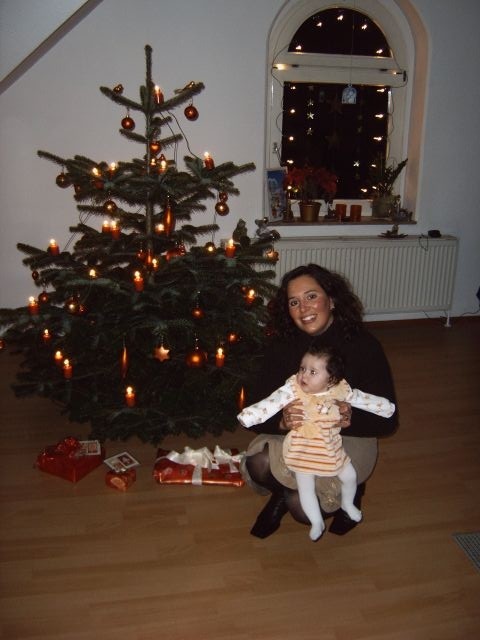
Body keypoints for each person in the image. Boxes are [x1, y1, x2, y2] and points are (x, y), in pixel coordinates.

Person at [241, 263, 398, 539]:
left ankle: (349, 492)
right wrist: (282, 422)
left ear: (332, 300)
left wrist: (350, 418)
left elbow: (388, 420)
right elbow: (255, 407)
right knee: (259, 463)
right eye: (294, 302)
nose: (304, 308)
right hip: (297, 435)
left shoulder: (364, 346)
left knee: (302, 511)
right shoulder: (281, 346)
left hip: (348, 438)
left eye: (311, 296)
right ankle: (283, 492)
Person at [238, 341, 395, 541]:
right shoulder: (294, 389)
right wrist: (249, 416)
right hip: (302, 451)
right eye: (302, 368)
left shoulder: (340, 390)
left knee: (349, 477)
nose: (304, 375)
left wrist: (384, 407)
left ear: (331, 379)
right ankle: (316, 522)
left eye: (313, 372)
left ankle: (348, 504)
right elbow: (271, 402)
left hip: (332, 450)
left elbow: (362, 399)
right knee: (306, 490)